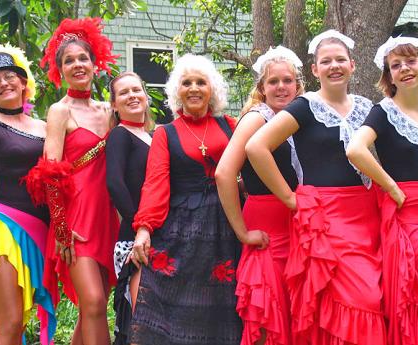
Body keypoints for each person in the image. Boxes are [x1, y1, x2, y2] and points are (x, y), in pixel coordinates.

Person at [246, 30, 387, 345]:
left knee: (373, 296)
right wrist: (289, 198)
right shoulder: (305, 106)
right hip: (325, 218)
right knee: (354, 296)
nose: (334, 66)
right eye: (326, 61)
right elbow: (257, 147)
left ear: (352, 65)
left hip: (367, 215)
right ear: (314, 70)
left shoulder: (368, 107)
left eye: (340, 60)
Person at [346, 36, 418, 345]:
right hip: (407, 218)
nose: (404, 69)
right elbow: (356, 150)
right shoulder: (383, 112)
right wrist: (392, 188)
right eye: (395, 65)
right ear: (389, 76)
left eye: (410, 62)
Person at [129, 54, 242, 345]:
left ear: (212, 90)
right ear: (176, 91)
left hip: (228, 228)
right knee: (176, 310)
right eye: (187, 82)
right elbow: (155, 182)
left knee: (226, 309)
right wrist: (144, 228)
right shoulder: (165, 134)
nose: (194, 88)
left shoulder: (232, 125)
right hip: (182, 233)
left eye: (201, 82)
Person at [24, 17, 119, 345]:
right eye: (69, 60)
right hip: (75, 219)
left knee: (95, 307)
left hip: (108, 216)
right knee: (92, 301)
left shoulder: (109, 110)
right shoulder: (59, 111)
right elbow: (49, 173)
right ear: (59, 70)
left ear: (96, 64)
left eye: (83, 58)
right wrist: (61, 228)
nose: (77, 64)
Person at [0, 43, 56, 345]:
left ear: (23, 82)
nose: (3, 83)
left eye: (9, 76)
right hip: (0, 229)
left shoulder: (46, 127)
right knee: (11, 320)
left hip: (41, 233)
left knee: (21, 323)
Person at [215, 46, 304, 345]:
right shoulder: (257, 118)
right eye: (273, 82)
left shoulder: (298, 117)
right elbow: (224, 173)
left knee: (294, 313)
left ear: (298, 85)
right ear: (262, 88)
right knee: (268, 315)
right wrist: (242, 232)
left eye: (287, 80)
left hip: (298, 227)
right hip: (267, 230)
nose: (281, 87)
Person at [106, 71, 153, 345]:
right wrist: (140, 227)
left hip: (159, 235)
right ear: (114, 104)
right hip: (134, 238)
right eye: (124, 93)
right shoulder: (120, 136)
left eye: (136, 90)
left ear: (146, 97)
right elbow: (115, 184)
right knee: (141, 323)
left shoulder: (154, 136)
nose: (132, 96)